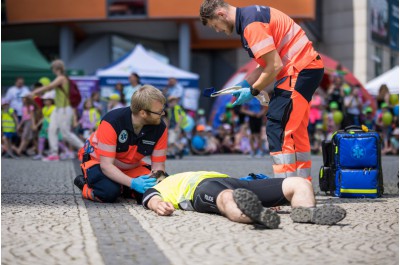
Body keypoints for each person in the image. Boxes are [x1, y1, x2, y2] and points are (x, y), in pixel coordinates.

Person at [200, 1, 324, 179]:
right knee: (294, 130)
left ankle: (286, 188)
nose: (218, 30)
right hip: (305, 68)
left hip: (298, 70)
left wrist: (253, 91)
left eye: (215, 26)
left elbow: (274, 66)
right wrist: (243, 85)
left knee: (278, 127)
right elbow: (264, 66)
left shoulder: (251, 25)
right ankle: (301, 184)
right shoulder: (251, 17)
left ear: (221, 14)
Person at [142, 171, 347, 228]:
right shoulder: (159, 186)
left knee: (300, 183)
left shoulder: (180, 174)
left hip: (234, 182)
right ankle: (255, 214)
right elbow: (151, 198)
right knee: (226, 199)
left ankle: (306, 212)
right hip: (201, 190)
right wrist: (158, 205)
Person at [74, 85, 168, 203]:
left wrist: (157, 184)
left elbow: (158, 167)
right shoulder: (112, 121)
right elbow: (106, 166)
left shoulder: (160, 128)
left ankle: (124, 187)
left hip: (130, 166)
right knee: (109, 192)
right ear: (143, 113)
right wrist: (133, 183)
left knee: (162, 188)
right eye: (159, 112)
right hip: (98, 162)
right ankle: (85, 186)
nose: (163, 114)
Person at [29, 59, 84, 161]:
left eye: (53, 68)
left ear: (56, 68)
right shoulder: (61, 78)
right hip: (58, 108)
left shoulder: (62, 78)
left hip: (64, 108)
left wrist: (34, 92)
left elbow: (49, 86)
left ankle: (85, 149)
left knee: (65, 133)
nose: (52, 71)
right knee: (51, 129)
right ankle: (54, 153)